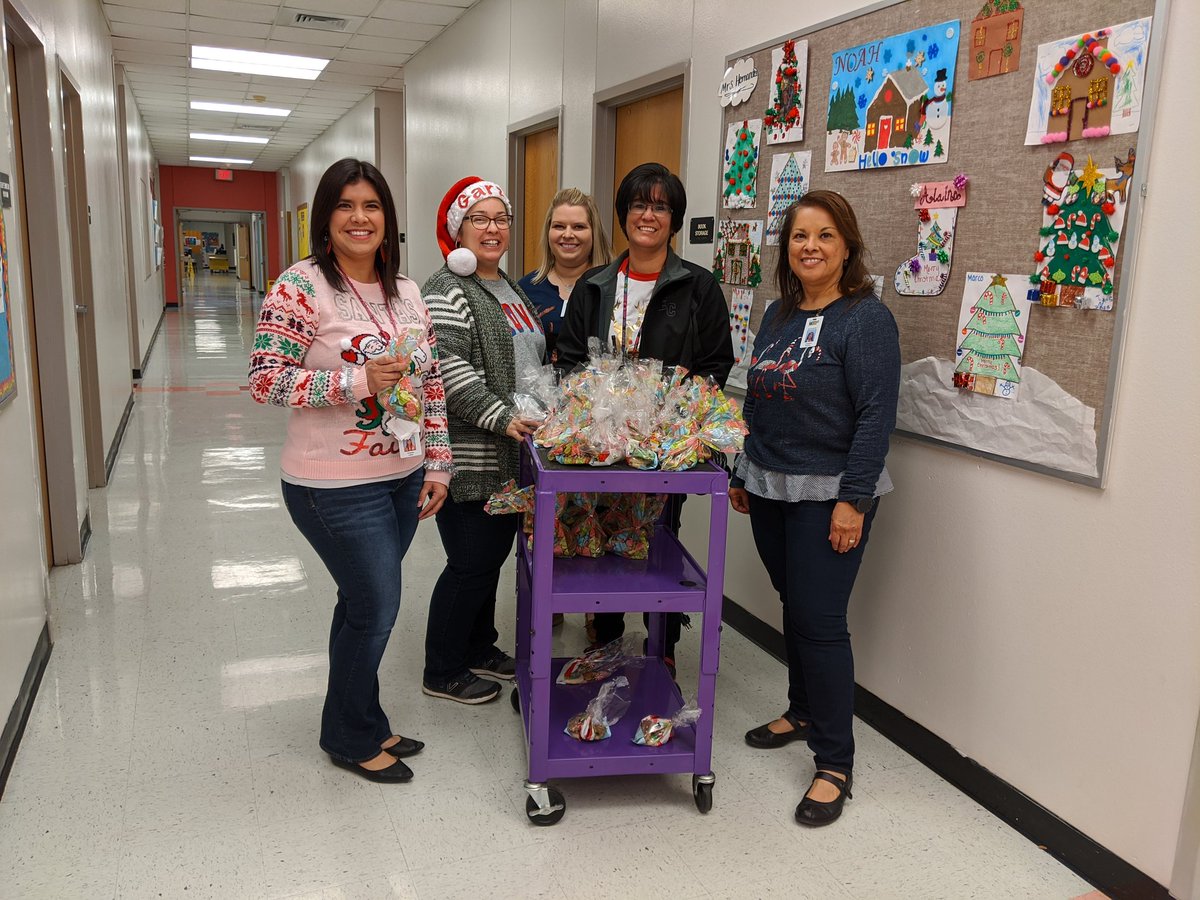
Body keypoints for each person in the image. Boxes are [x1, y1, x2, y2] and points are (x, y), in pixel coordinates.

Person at [248, 158, 453, 783]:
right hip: (331, 484)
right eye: (345, 206)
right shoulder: (300, 286)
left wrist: (437, 464)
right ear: (324, 218)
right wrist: (356, 380)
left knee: (361, 603)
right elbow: (264, 380)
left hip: (402, 476)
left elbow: (432, 383)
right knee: (378, 604)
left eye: (371, 206)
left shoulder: (407, 291)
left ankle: (362, 716)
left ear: (387, 218)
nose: (359, 218)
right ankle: (346, 733)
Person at [729, 190, 900, 826]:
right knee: (794, 606)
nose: (811, 247)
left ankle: (835, 762)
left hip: (830, 493)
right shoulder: (779, 312)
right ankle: (802, 711)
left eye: (825, 236)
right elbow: (757, 395)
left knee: (822, 622)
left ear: (847, 246)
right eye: (800, 236)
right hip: (769, 484)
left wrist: (853, 501)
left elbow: (877, 416)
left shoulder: (866, 319)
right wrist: (742, 468)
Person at [556, 162, 735, 673]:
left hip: (664, 450)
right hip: (599, 445)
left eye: (660, 206)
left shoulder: (697, 286)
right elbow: (569, 358)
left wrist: (672, 418)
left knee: (660, 541)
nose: (648, 215)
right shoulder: (594, 284)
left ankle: (664, 648)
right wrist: (594, 408)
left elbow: (715, 365)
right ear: (623, 215)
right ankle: (605, 636)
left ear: (673, 219)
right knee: (602, 538)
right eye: (638, 204)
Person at [421, 177, 545, 704]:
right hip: (472, 455)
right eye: (480, 219)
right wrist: (500, 415)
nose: (493, 228)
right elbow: (444, 367)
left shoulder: (508, 287)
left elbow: (530, 360)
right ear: (458, 228)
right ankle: (442, 668)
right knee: (470, 562)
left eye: (501, 218)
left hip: (511, 454)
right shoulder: (446, 288)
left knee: (490, 559)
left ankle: (480, 646)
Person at [518, 188, 613, 363]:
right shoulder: (524, 290)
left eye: (579, 227)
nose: (568, 234)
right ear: (548, 232)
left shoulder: (612, 287)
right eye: (559, 226)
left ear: (594, 233)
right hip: (537, 390)